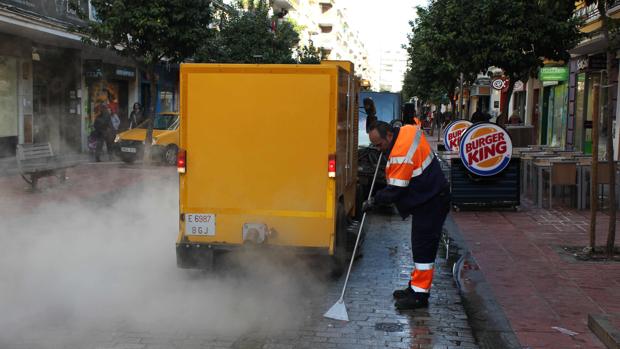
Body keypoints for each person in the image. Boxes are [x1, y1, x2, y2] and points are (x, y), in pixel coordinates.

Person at [362, 121, 450, 310]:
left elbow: (395, 190)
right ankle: (415, 287)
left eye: (380, 145)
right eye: (375, 146)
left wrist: (374, 201)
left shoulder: (401, 153)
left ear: (389, 136)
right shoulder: (407, 130)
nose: (378, 150)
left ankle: (420, 296)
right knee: (420, 246)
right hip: (431, 195)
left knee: (423, 248)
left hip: (431, 200)